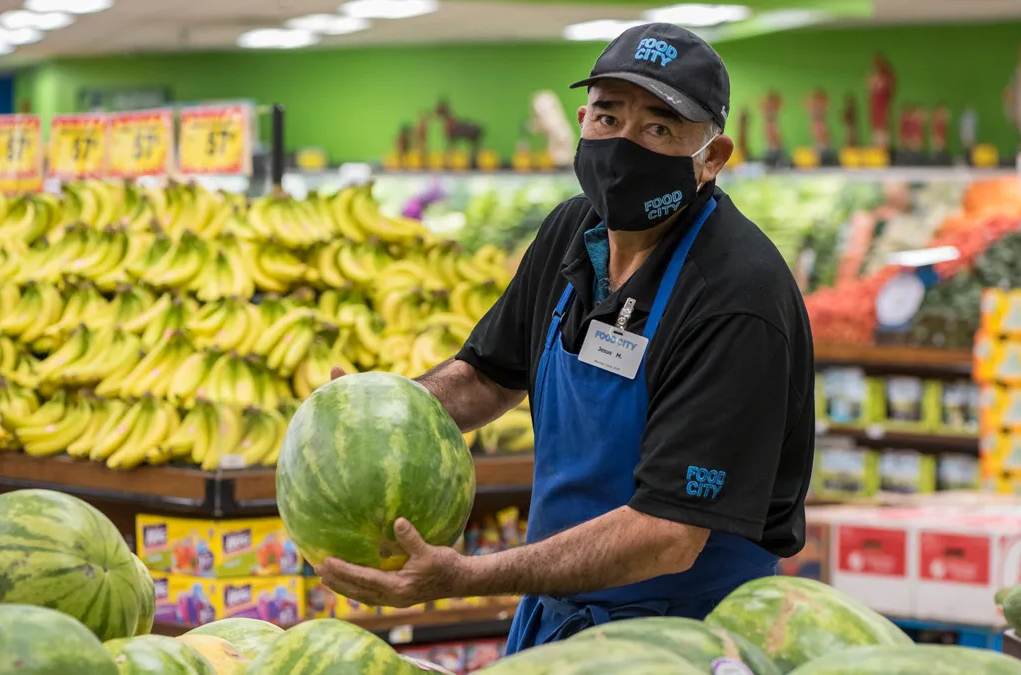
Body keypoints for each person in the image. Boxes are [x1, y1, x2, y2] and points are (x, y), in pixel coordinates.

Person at [317, 22, 815, 654]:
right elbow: (487, 375)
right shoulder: (573, 229)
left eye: (659, 128)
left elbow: (668, 532)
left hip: (686, 638)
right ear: (582, 120)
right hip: (560, 622)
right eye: (608, 119)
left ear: (712, 158)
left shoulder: (736, 296)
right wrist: (373, 414)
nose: (625, 145)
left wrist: (468, 577)